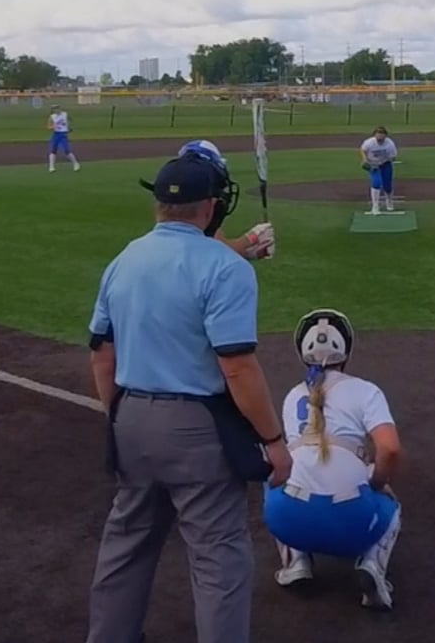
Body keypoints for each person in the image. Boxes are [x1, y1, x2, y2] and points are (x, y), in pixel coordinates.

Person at [85, 142, 292, 643]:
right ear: (211, 206)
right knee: (219, 558)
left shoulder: (124, 260)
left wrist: (120, 416)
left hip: (130, 418)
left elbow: (101, 355)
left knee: (125, 547)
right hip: (198, 430)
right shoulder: (226, 268)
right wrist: (273, 440)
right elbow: (237, 367)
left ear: (158, 203)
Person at [267, 308, 404, 612]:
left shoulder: (292, 396)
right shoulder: (366, 391)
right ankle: (372, 565)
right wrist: (378, 483)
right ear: (346, 352)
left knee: (278, 477)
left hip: (287, 520)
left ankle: (296, 562)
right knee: (390, 504)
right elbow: (390, 449)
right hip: (351, 526)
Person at [360, 127, 399, 213]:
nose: (380, 139)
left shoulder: (390, 144)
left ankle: (389, 201)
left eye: (382, 137)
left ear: (385, 136)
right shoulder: (369, 142)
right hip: (373, 164)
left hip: (385, 164)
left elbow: (393, 157)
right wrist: (365, 160)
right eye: (378, 137)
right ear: (374, 136)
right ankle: (375, 206)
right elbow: (363, 150)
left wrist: (382, 161)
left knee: (387, 185)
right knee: (376, 183)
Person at [48, 106, 79, 172]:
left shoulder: (65, 114)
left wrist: (69, 128)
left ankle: (75, 164)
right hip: (56, 134)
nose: (57, 110)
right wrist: (52, 127)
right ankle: (51, 167)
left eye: (58, 109)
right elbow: (48, 126)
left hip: (63, 134)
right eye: (55, 109)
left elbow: (71, 120)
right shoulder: (52, 117)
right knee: (53, 150)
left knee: (66, 150)